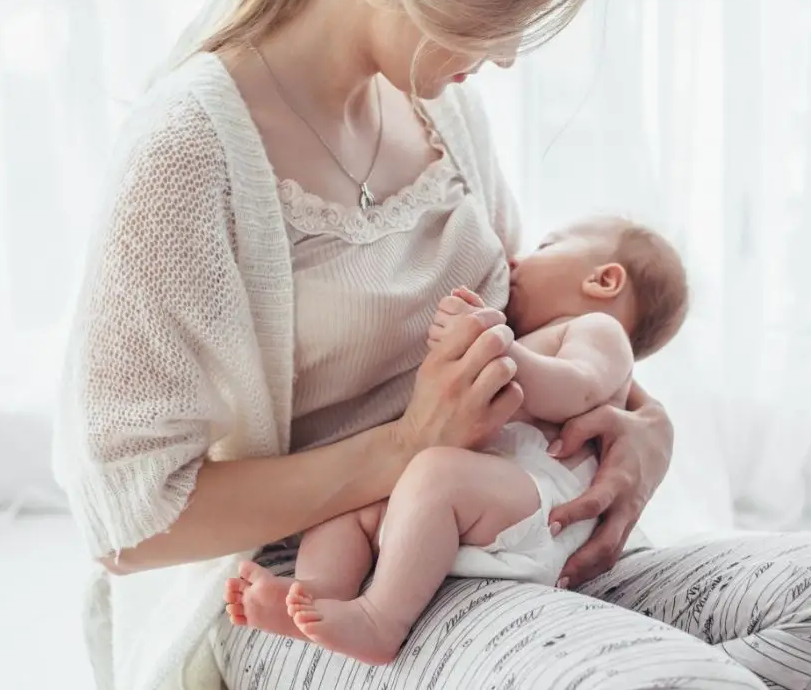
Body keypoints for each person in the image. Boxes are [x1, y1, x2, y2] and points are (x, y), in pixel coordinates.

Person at [54, 0, 811, 689]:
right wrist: (407, 449)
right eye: (503, 11)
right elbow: (131, 528)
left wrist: (645, 429)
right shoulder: (188, 157)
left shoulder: (437, 105)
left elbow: (537, 326)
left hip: (508, 533)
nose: (510, 54)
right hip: (326, 582)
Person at [223, 217, 689, 665]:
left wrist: (499, 347)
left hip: (544, 505)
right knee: (349, 507)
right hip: (483, 505)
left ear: (604, 280)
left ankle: (379, 620)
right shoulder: (540, 336)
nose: (514, 260)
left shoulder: (599, 333)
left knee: (436, 473)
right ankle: (318, 592)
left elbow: (576, 388)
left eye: (546, 245)